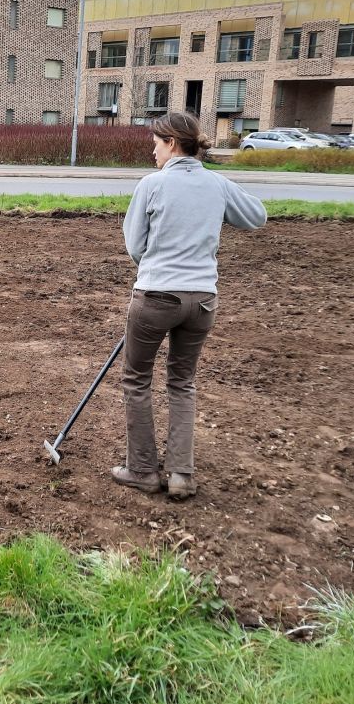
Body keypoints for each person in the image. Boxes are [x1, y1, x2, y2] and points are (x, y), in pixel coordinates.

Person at [114, 112, 267, 500]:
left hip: (155, 298)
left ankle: (143, 471)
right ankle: (182, 474)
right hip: (202, 301)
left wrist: (157, 266)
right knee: (182, 383)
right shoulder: (216, 183)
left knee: (137, 380)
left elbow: (135, 247)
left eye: (155, 143)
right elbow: (256, 217)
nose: (152, 150)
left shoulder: (152, 185)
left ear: (171, 143)